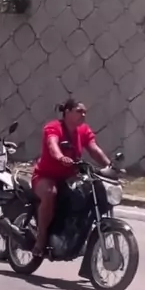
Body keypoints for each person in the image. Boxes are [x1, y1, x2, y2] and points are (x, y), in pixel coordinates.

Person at [31, 97, 111, 258]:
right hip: (45, 176)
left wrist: (110, 166)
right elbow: (53, 145)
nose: (83, 115)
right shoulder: (53, 127)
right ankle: (41, 238)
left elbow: (94, 149)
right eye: (79, 111)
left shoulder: (83, 130)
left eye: (85, 112)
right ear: (67, 112)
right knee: (51, 193)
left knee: (85, 195)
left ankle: (76, 235)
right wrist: (60, 157)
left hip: (69, 178)